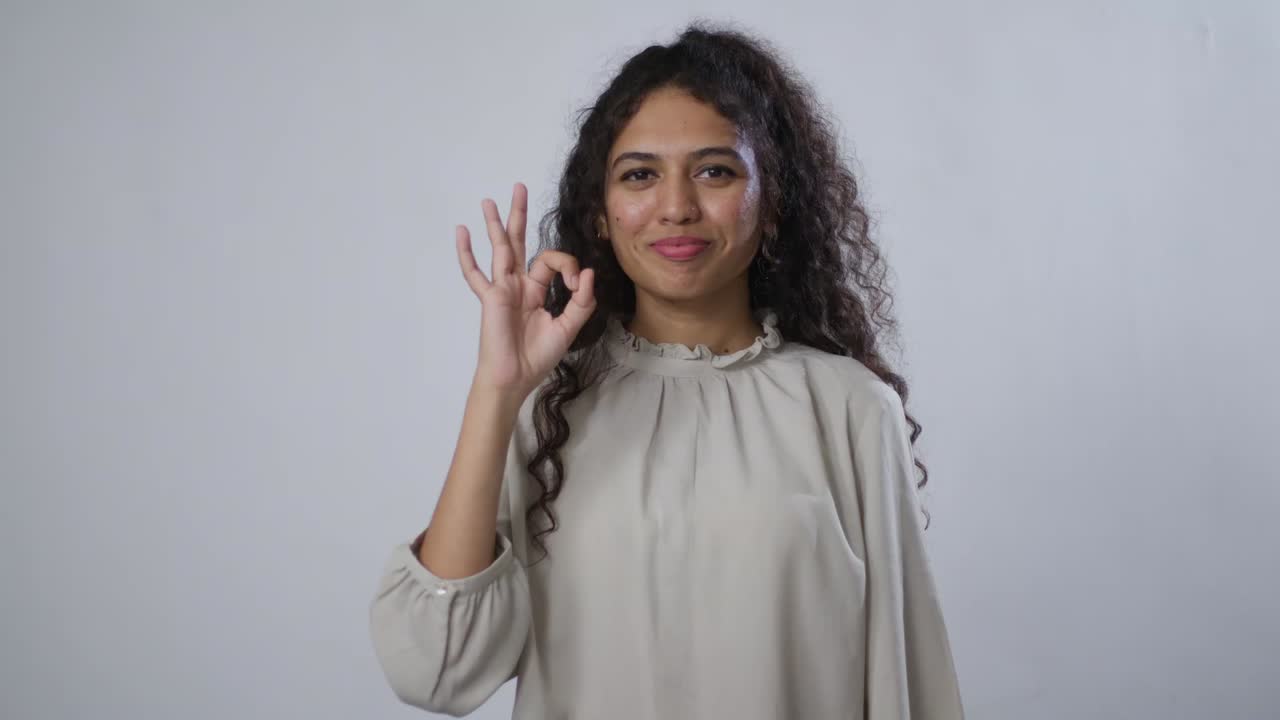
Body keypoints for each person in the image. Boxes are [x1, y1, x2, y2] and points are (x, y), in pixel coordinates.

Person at [369, 21, 965, 719]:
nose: (677, 207)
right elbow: (436, 673)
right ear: (600, 215)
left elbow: (908, 686)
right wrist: (496, 391)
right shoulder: (548, 408)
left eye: (715, 170)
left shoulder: (851, 409)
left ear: (771, 204)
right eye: (640, 175)